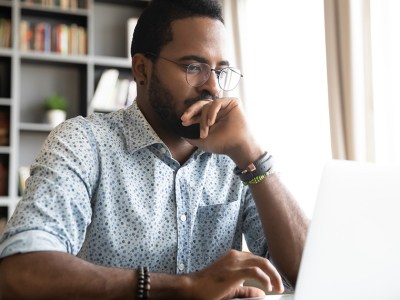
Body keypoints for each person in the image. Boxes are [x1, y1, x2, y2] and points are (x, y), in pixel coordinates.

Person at [0, 0, 309, 299]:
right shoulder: (85, 143)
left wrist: (253, 157)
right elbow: (20, 272)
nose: (213, 88)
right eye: (194, 67)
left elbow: (306, 273)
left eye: (219, 71)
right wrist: (185, 288)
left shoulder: (236, 159)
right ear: (142, 69)